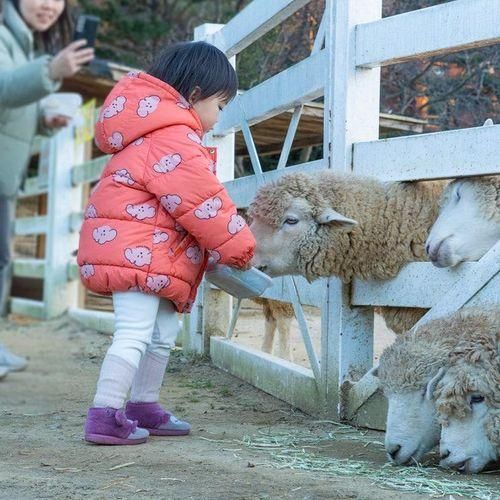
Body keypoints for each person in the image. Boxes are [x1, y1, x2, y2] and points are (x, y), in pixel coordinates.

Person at [77, 41, 256, 445]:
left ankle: (143, 405)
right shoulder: (172, 137)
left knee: (159, 333)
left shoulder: (158, 133)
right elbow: (202, 202)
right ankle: (104, 414)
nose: (217, 117)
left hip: (151, 254)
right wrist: (241, 247)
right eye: (220, 105)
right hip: (136, 256)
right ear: (194, 96)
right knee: (135, 332)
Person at [0, 0, 94, 373]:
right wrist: (51, 69)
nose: (49, 5)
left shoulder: (22, 41)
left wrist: (42, 119)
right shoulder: (6, 36)